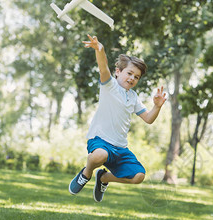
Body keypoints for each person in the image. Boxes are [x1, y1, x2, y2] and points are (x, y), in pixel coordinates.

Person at [69, 34, 167, 202]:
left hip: (120, 148)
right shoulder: (110, 86)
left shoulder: (134, 97)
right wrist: (100, 50)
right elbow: (103, 68)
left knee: (139, 176)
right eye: (129, 73)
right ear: (118, 72)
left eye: (136, 77)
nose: (132, 78)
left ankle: (103, 178)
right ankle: (86, 173)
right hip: (100, 140)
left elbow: (149, 119)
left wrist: (157, 106)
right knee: (99, 155)